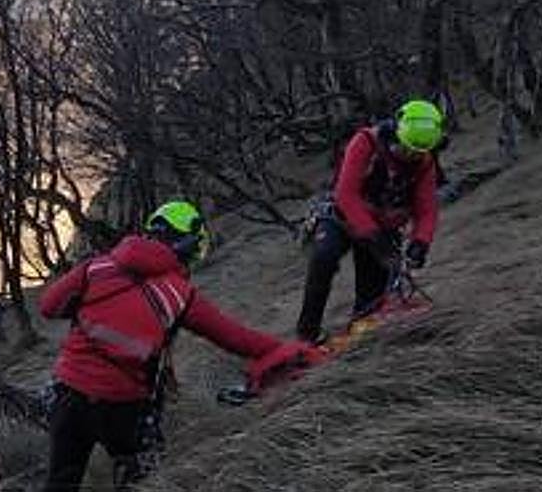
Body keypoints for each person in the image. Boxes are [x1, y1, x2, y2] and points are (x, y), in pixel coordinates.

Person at [39, 200, 288, 491]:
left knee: (60, 482)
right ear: (187, 243)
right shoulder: (181, 295)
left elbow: (47, 307)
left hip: (69, 394)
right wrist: (286, 350)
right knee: (145, 476)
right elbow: (237, 339)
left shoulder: (95, 268)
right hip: (125, 406)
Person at [294, 99, 444, 345]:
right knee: (324, 257)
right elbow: (346, 195)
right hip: (342, 218)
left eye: (418, 153)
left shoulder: (424, 163)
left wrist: (420, 243)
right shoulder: (365, 143)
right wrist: (374, 237)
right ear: (396, 132)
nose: (410, 156)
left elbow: (426, 209)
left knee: (371, 299)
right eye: (406, 149)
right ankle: (307, 333)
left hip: (384, 227)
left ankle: (359, 335)